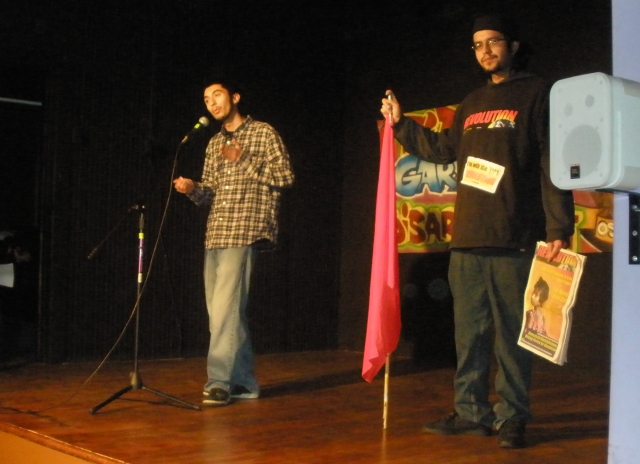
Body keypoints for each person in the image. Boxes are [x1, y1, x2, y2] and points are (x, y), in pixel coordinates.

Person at [381, 13, 574, 449]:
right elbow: (443, 149)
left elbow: (552, 162)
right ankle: (471, 412)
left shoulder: (537, 93)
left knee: (513, 335)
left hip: (514, 235)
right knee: (469, 335)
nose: (485, 51)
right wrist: (400, 123)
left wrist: (559, 226)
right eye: (478, 45)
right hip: (467, 238)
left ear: (513, 46)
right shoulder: (471, 102)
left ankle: (512, 416)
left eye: (494, 42)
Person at [173, 78, 294, 406]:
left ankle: (220, 382)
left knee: (225, 311)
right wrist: (192, 188)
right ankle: (244, 382)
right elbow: (209, 192)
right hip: (216, 233)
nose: (211, 103)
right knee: (222, 314)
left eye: (217, 95)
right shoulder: (214, 143)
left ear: (235, 97)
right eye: (206, 99)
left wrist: (244, 161)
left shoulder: (263, 133)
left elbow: (285, 176)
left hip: (245, 230)